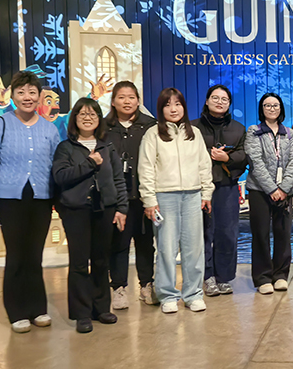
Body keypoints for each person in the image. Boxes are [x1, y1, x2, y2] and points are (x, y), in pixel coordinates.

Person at [0, 71, 61, 333]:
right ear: (12, 95)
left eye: (32, 92)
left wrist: (59, 198)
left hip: (41, 199)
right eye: (21, 92)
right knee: (16, 255)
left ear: (39, 97)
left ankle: (37, 308)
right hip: (9, 199)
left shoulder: (49, 129)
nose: (27, 97)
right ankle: (17, 311)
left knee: (35, 255)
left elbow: (56, 166)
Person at [52, 98, 128, 333]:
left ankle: (101, 308)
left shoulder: (107, 146)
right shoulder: (66, 147)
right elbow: (60, 176)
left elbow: (118, 179)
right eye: (82, 114)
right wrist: (89, 163)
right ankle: (81, 313)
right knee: (78, 263)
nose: (87, 117)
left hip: (104, 210)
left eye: (93, 114)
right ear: (74, 118)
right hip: (76, 211)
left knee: (100, 260)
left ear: (99, 119)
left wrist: (121, 207)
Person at [139, 88, 215, 314]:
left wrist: (206, 193)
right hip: (165, 197)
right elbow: (146, 169)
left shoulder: (195, 133)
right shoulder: (153, 134)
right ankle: (167, 295)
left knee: (194, 249)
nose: (173, 109)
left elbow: (204, 165)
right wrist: (149, 199)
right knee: (166, 248)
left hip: (192, 195)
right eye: (167, 105)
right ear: (161, 109)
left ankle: (193, 294)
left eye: (178, 104)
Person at [104, 81, 158, 309]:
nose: (127, 102)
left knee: (145, 242)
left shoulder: (150, 126)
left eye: (131, 97)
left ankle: (146, 285)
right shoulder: (104, 127)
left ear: (138, 101)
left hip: (143, 194)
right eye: (122, 97)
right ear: (113, 101)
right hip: (116, 196)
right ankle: (118, 288)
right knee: (119, 242)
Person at [192, 85, 248, 297]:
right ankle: (206, 277)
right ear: (206, 101)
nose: (219, 102)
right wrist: (208, 154)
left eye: (224, 99)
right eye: (215, 98)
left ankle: (223, 277)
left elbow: (244, 156)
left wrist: (228, 158)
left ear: (229, 104)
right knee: (203, 234)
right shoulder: (192, 127)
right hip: (197, 189)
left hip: (226, 187)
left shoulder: (238, 128)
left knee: (227, 234)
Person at [245, 93, 293, 294]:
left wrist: (284, 188)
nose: (271, 109)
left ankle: (280, 275)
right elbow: (255, 162)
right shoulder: (254, 131)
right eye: (267, 105)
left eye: (275, 105)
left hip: (285, 191)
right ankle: (263, 277)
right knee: (260, 233)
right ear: (261, 109)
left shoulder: (290, 133)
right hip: (260, 190)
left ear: (281, 108)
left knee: (283, 233)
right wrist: (272, 189)